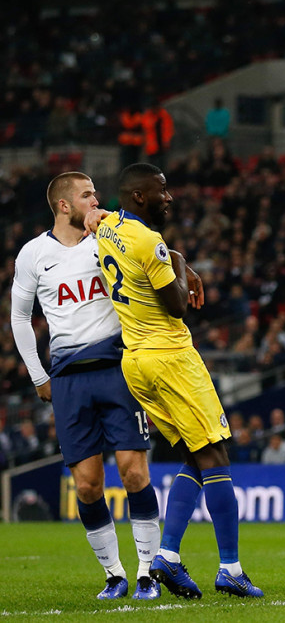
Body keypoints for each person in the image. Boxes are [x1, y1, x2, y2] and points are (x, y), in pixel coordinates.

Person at [92, 163, 263, 599]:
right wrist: (180, 263)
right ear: (140, 197)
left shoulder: (109, 224)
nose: (169, 197)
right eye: (161, 191)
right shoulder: (151, 241)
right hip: (170, 358)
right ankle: (230, 568)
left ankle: (167, 556)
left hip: (136, 361)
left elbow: (93, 218)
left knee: (196, 453)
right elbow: (177, 306)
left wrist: (178, 260)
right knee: (218, 453)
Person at [11, 171, 162, 600]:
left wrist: (184, 268)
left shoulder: (111, 233)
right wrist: (39, 375)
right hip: (69, 378)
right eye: (87, 195)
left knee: (134, 472)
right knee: (88, 485)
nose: (97, 200)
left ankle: (147, 572)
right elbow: (19, 317)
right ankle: (115, 575)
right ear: (64, 205)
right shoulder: (33, 254)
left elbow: (156, 253)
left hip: (118, 368)